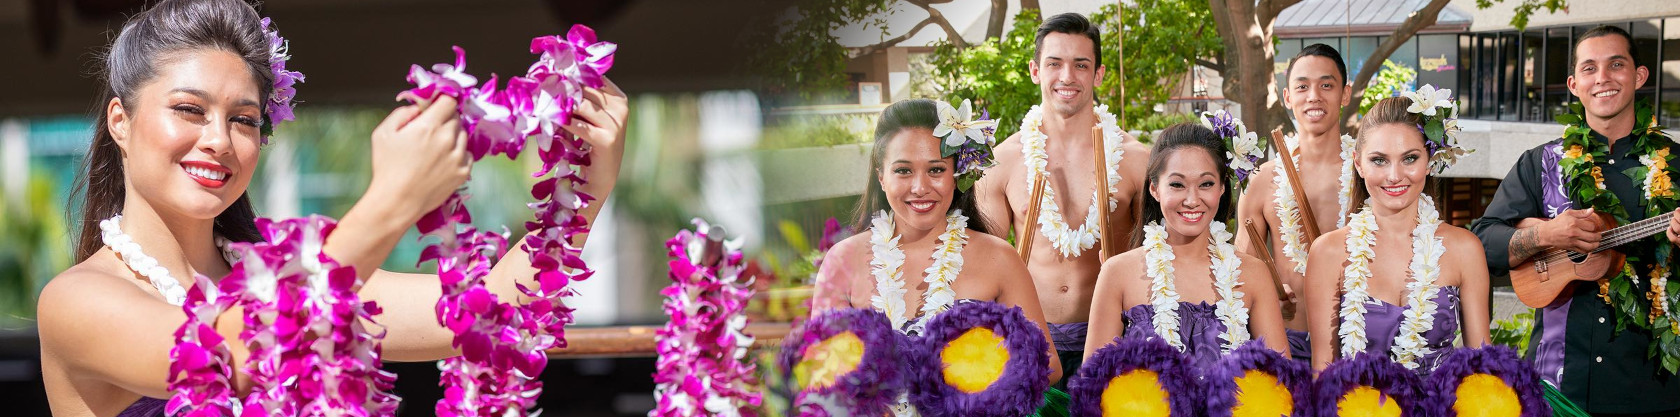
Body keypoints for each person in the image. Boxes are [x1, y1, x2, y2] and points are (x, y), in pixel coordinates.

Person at [34, 1, 629, 415]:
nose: (220, 139)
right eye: (190, 110)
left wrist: (583, 185)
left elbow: (485, 310)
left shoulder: (295, 266)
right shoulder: (76, 302)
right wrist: (392, 202)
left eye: (244, 119)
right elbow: (230, 355)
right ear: (121, 119)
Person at [1469, 25, 1680, 415]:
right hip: (1555, 387)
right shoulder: (1541, 163)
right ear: (1573, 84)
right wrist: (1545, 233)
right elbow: (1482, 244)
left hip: (1652, 388)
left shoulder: (1677, 165)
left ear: (1639, 76)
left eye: (1616, 64)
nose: (1603, 78)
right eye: (1589, 68)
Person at [811, 98, 1062, 414]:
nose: (919, 187)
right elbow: (821, 372)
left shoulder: (999, 259)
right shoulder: (842, 262)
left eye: (935, 170)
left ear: (956, 175)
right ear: (881, 176)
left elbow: (1049, 364)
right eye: (903, 170)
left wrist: (972, 391)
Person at [974, 12, 1149, 384]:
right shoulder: (1003, 161)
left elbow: (1165, 258)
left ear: (1098, 75)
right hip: (1032, 345)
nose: (1067, 77)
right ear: (1036, 71)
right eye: (1055, 63)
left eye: (1081, 65)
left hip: (1115, 339)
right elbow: (982, 262)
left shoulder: (1136, 160)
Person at [1304, 94, 1489, 373]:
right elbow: (1323, 371)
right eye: (1379, 160)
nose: (1394, 175)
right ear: (1358, 163)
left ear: (1429, 160)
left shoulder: (1465, 249)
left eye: (1409, 158)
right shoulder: (1327, 252)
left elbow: (1483, 372)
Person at [1084, 123, 1289, 370]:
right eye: (1177, 185)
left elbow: (1282, 384)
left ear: (1222, 187)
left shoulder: (1253, 274)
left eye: (1206, 184)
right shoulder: (1117, 273)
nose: (1192, 200)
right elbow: (1093, 389)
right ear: (1154, 188)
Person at [1233, 44, 1362, 363]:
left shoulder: (1368, 175)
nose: (1314, 95)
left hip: (1359, 342)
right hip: (1285, 345)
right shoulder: (1261, 180)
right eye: (1302, 86)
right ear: (1288, 97)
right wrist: (1267, 298)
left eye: (1326, 85)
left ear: (1345, 94)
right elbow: (1238, 274)